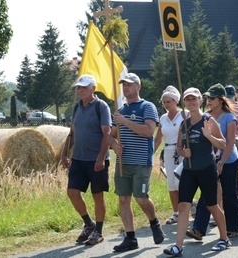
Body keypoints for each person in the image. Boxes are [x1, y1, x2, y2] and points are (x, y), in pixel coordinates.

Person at [163, 87, 230, 256]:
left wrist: (209, 136)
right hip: (189, 170)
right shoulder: (184, 124)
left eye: (194, 99)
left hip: (206, 169)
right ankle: (178, 246)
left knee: (212, 205)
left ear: (200, 101)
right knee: (183, 205)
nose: (191, 103)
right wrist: (183, 152)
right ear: (184, 103)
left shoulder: (208, 120)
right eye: (188, 100)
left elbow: (223, 144)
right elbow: (179, 147)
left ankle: (224, 238)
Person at [109, 73, 165, 252]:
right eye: (124, 85)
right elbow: (110, 136)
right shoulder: (120, 111)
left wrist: (125, 122)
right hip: (123, 162)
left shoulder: (147, 107)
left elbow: (149, 131)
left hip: (141, 161)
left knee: (141, 198)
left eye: (130, 85)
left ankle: (154, 223)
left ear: (138, 87)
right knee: (124, 199)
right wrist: (114, 145)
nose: (126, 88)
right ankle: (130, 237)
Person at [186, 83, 238, 241]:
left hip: (228, 161)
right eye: (207, 98)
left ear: (221, 99)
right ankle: (198, 229)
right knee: (207, 195)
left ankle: (232, 228)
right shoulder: (205, 116)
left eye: (212, 98)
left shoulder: (229, 118)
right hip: (210, 162)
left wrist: (222, 163)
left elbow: (230, 143)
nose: (209, 101)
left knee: (229, 194)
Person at [60, 74, 111, 245]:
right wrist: (64, 153)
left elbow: (107, 133)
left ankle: (99, 231)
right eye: (78, 87)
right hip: (79, 159)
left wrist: (101, 158)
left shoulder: (101, 107)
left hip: (96, 160)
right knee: (72, 193)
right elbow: (72, 133)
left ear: (93, 88)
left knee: (98, 197)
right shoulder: (76, 108)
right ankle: (89, 224)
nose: (80, 90)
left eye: (83, 87)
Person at [154, 85, 187, 225]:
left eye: (169, 101)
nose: (167, 105)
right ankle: (176, 212)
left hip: (182, 151)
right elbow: (158, 138)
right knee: (171, 184)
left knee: (182, 182)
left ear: (176, 101)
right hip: (168, 152)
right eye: (164, 102)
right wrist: (151, 153)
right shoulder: (163, 118)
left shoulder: (184, 115)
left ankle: (187, 208)